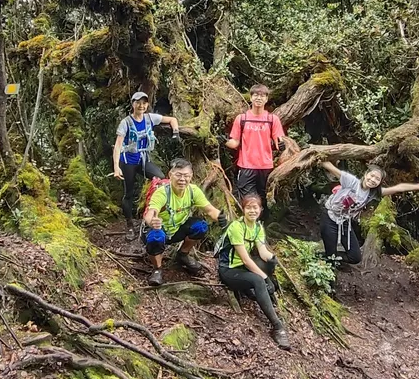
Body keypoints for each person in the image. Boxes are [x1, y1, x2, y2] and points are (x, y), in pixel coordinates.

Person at [318, 161, 419, 265]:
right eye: (371, 176)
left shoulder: (373, 193)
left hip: (344, 223)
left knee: (355, 258)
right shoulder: (350, 181)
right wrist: (313, 154)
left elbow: (398, 188)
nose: (373, 180)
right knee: (331, 257)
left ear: (379, 182)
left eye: (377, 179)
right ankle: (329, 258)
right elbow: (331, 168)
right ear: (366, 174)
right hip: (330, 217)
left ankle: (331, 257)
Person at [216, 194, 290, 350]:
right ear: (243, 210)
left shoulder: (257, 227)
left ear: (260, 209)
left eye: (255, 207)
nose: (252, 210)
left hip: (242, 269)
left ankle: (258, 293)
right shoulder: (236, 227)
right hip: (229, 270)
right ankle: (277, 326)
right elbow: (245, 260)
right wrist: (264, 278)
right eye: (248, 207)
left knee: (268, 264)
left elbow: (262, 251)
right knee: (258, 280)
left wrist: (273, 259)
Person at [143, 158, 226, 286]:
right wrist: (152, 221)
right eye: (178, 175)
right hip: (160, 230)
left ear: (191, 176)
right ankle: (157, 269)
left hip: (177, 229)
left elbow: (210, 210)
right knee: (156, 236)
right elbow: (151, 213)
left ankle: (183, 255)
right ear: (170, 175)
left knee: (201, 226)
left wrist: (222, 218)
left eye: (186, 176)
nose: (182, 179)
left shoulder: (193, 191)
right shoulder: (162, 193)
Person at [113, 91, 181, 240]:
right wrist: (116, 167)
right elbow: (118, 146)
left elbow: (172, 119)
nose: (141, 105)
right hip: (128, 161)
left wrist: (176, 132)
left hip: (144, 159)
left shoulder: (151, 118)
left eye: (144, 103)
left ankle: (154, 214)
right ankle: (130, 225)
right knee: (128, 193)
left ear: (147, 104)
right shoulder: (126, 123)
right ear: (133, 104)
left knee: (161, 179)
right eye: (138, 102)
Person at [225, 84, 285, 219]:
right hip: (246, 166)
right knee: (248, 199)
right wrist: (222, 140)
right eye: (256, 95)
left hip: (266, 167)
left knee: (262, 198)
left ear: (266, 99)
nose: (259, 98)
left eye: (262, 95)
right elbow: (234, 142)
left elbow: (278, 139)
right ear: (251, 98)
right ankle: (248, 226)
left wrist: (281, 145)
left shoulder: (272, 119)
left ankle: (261, 227)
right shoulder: (242, 118)